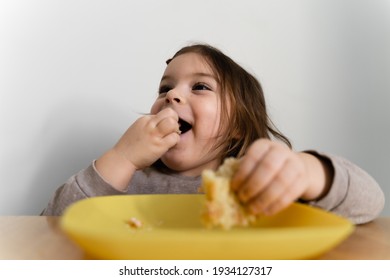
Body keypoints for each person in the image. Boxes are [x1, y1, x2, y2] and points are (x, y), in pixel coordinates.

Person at [41, 44, 385, 224]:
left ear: (237, 125)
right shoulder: (128, 182)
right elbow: (52, 228)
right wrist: (121, 157)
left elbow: (369, 204)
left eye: (200, 86)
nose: (172, 96)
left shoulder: (260, 186)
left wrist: (308, 172)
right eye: (165, 88)